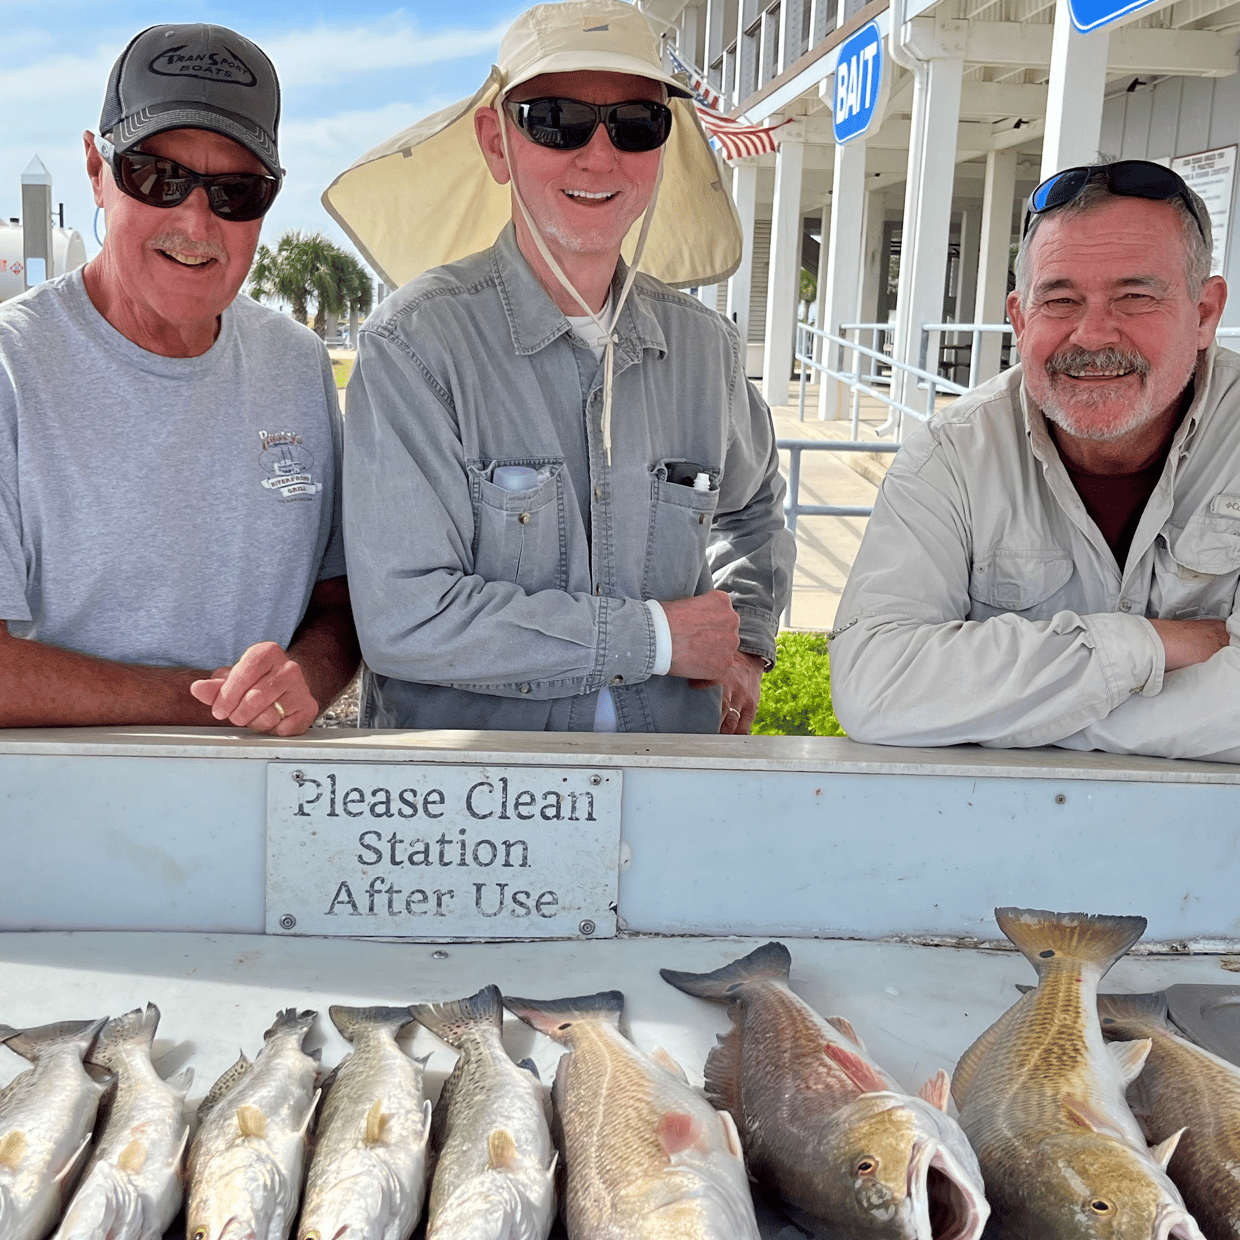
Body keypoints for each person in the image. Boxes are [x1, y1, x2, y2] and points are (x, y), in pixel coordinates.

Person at [339, 0, 793, 734]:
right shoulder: (416, 345)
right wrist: (657, 638)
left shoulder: (707, 349)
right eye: (557, 118)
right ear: (496, 142)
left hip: (668, 790)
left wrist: (743, 642)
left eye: (637, 123)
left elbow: (753, 508)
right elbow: (406, 618)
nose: (600, 154)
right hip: (474, 815)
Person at [0, 23, 358, 735]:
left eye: (237, 192)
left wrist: (306, 677)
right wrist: (209, 701)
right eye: (158, 177)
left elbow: (338, 598)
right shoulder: (13, 371)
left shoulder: (297, 361)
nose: (196, 222)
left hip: (266, 815)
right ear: (97, 173)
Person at [830, 160, 1240, 762]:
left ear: (1205, 313)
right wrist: (1147, 648)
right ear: (1020, 319)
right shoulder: (952, 454)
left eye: (1135, 297)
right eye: (1061, 299)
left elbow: (904, 700)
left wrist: (1027, 718)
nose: (1093, 335)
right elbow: (875, 685)